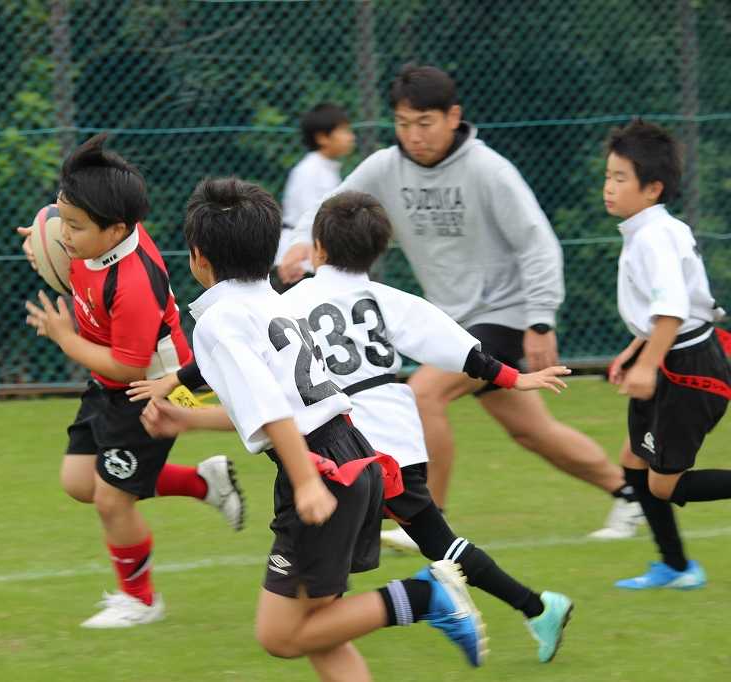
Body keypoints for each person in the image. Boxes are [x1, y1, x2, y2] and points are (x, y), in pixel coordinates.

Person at [134, 191, 575, 663]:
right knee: (396, 567)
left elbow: (251, 372)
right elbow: (452, 343)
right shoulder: (383, 298)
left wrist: (175, 381)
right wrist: (512, 377)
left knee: (413, 560)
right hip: (387, 440)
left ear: (318, 248)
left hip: (341, 453)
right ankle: (529, 606)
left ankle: (468, 600)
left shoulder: (289, 300)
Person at [278, 63, 642, 546]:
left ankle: (428, 522)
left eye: (425, 123)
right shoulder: (386, 166)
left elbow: (537, 244)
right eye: (403, 123)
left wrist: (540, 319)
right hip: (454, 321)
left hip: (503, 316)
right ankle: (630, 493)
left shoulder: (489, 170)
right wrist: (301, 243)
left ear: (453, 117)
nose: (414, 136)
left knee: (423, 394)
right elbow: (330, 205)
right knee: (532, 431)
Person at [20, 134, 245, 628]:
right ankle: (201, 483)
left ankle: (140, 601)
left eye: (73, 227)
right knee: (79, 482)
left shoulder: (135, 281)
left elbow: (129, 364)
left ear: (117, 229)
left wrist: (64, 338)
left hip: (150, 389)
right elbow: (59, 229)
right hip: (108, 381)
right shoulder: (95, 229)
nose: (64, 235)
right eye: (62, 220)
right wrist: (40, 235)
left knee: (111, 499)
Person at [603, 119, 731, 589]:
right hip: (675, 356)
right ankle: (676, 569)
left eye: (621, 178)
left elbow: (674, 309)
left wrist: (648, 365)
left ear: (653, 188)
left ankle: (679, 570)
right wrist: (635, 350)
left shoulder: (654, 236)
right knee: (634, 458)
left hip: (689, 368)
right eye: (608, 176)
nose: (609, 187)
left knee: (664, 484)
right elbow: (664, 309)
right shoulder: (650, 230)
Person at [272, 102, 356, 293]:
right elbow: (309, 217)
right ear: (322, 138)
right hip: (299, 263)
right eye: (344, 131)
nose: (351, 137)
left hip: (314, 259)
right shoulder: (309, 170)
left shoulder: (327, 169)